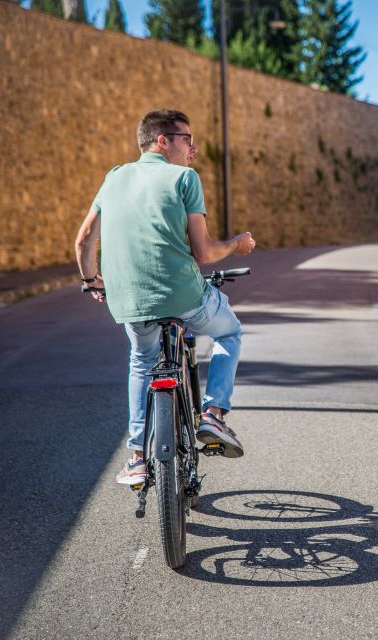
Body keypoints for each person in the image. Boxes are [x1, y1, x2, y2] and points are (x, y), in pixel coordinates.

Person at [75, 109, 256, 486]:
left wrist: (93, 281)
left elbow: (84, 240)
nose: (194, 148)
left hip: (128, 302)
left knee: (142, 361)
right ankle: (214, 415)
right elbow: (203, 253)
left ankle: (138, 457)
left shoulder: (113, 178)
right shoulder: (184, 178)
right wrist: (237, 244)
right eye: (187, 139)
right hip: (184, 295)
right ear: (163, 140)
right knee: (229, 333)